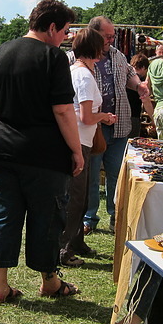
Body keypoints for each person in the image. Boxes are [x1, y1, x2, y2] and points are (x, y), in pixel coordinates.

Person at [0, 0, 83, 303]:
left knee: (1, 215)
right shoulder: (54, 58)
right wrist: (76, 151)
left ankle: (0, 286)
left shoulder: (3, 50)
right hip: (43, 153)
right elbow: (64, 110)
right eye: (64, 30)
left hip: (0, 146)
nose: (66, 37)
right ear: (52, 27)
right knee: (47, 217)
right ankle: (49, 282)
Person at [78, 16, 149, 234]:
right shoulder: (79, 59)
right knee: (91, 175)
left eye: (112, 35)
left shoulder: (118, 55)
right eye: (107, 36)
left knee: (116, 174)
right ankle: (89, 217)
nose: (111, 39)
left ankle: (115, 215)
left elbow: (129, 74)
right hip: (94, 126)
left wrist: (138, 86)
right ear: (93, 33)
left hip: (119, 125)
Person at [60, 29, 117, 267]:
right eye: (102, 43)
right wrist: (104, 116)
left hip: (81, 140)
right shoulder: (82, 75)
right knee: (75, 199)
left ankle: (75, 242)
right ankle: (64, 250)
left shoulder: (79, 71)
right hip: (78, 142)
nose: (106, 46)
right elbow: (85, 116)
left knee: (80, 198)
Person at [127, 53, 154, 138]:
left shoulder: (126, 78)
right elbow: (145, 101)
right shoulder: (140, 82)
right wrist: (153, 119)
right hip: (134, 117)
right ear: (143, 68)